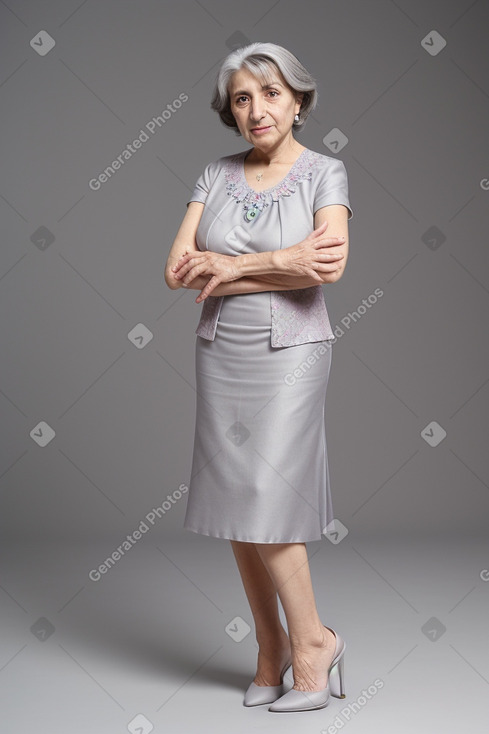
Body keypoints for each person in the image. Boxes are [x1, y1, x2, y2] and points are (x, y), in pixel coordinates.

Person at [165, 42, 353, 713]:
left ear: (297, 101)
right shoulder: (214, 174)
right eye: (242, 98)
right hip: (223, 348)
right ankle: (269, 648)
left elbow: (324, 269)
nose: (256, 109)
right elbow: (177, 268)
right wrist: (286, 255)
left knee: (271, 498)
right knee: (237, 503)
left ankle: (313, 644)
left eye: (270, 93)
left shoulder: (324, 173)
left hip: (292, 350)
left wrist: (234, 266)